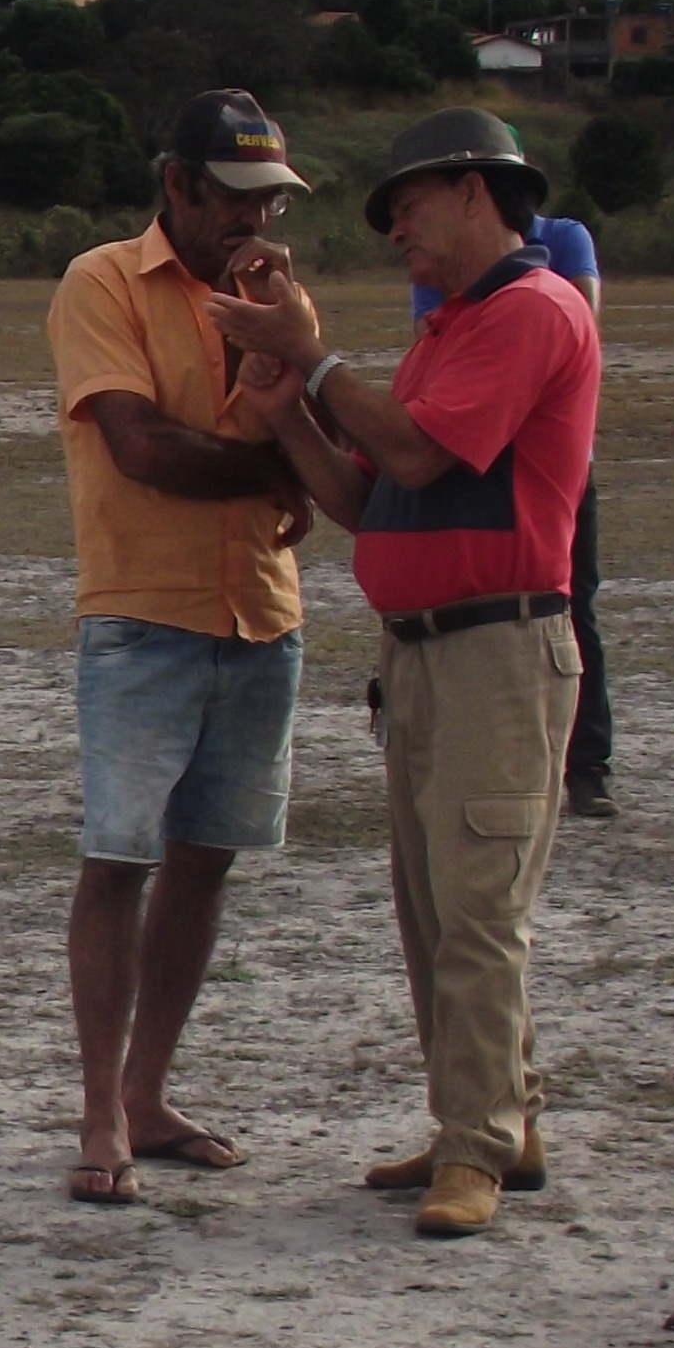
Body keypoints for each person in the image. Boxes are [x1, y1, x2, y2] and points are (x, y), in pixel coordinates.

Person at [210, 108, 601, 1241]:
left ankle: (474, 1149)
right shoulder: (454, 330)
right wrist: (291, 416)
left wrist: (310, 355)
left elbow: (424, 452)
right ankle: (490, 1120)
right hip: (428, 652)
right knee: (433, 909)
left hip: (496, 649)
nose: (396, 234)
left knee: (476, 908)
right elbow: (371, 498)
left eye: (409, 208)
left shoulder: (530, 311)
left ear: (477, 192)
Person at [44, 89, 315, 1206]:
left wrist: (285, 384)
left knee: (205, 860)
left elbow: (310, 430)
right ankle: (100, 1106)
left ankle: (150, 1095)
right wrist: (280, 470)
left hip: (260, 613)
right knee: (119, 860)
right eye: (234, 199)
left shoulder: (276, 300)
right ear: (178, 186)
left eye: (270, 201)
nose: (252, 221)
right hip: (142, 615)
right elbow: (142, 448)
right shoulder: (100, 282)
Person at [416, 206, 613, 817]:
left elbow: (577, 318)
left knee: (571, 610)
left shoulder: (563, 238)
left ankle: (587, 767)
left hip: (550, 463)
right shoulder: (438, 250)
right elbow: (439, 347)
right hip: (477, 455)